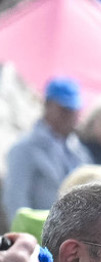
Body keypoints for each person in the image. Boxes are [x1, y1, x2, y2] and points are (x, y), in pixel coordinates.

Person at [3, 79, 87, 223]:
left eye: (73, 111)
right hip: (40, 234)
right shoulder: (25, 149)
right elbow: (16, 201)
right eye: (64, 110)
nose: (70, 117)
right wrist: (27, 238)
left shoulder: (78, 150)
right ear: (48, 106)